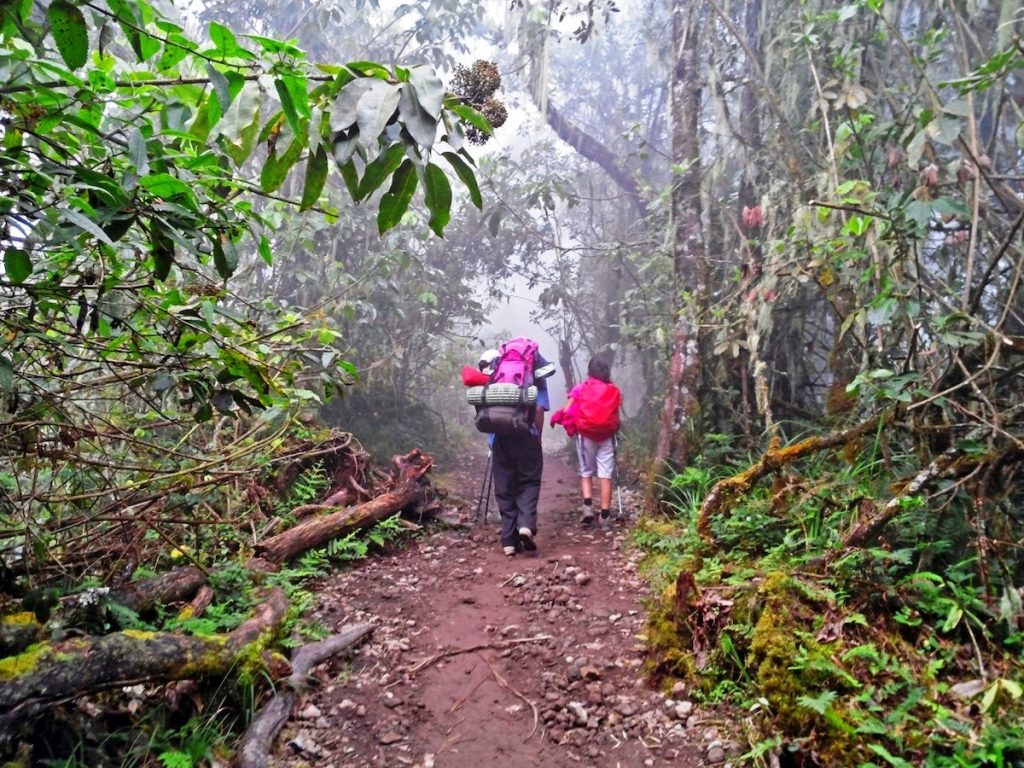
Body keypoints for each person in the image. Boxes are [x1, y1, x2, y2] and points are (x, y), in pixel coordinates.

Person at [479, 341, 554, 557]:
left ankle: (508, 541)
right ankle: (526, 526)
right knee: (529, 482)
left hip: (501, 438)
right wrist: (537, 438)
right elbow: (539, 409)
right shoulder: (535, 378)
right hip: (527, 436)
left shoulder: (498, 373)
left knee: (504, 486)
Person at [553, 357, 622, 526]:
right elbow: (615, 415)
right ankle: (605, 515)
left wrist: (573, 420)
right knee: (605, 474)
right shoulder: (613, 390)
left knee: (586, 471)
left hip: (586, 435)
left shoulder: (580, 388)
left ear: (589, 371)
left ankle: (588, 508)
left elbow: (568, 410)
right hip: (606, 436)